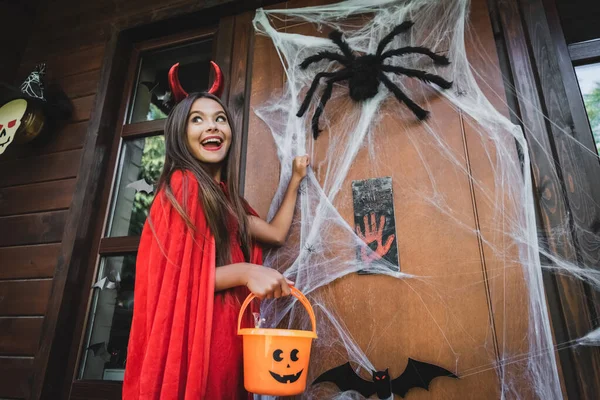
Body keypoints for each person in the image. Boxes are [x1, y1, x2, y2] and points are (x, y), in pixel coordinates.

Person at [122, 91, 309, 400]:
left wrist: (295, 180)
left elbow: (275, 233)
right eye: (198, 119)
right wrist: (245, 271)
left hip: (227, 338)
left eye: (220, 119)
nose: (212, 126)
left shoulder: (227, 200)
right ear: (180, 135)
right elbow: (174, 284)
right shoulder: (184, 186)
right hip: (197, 342)